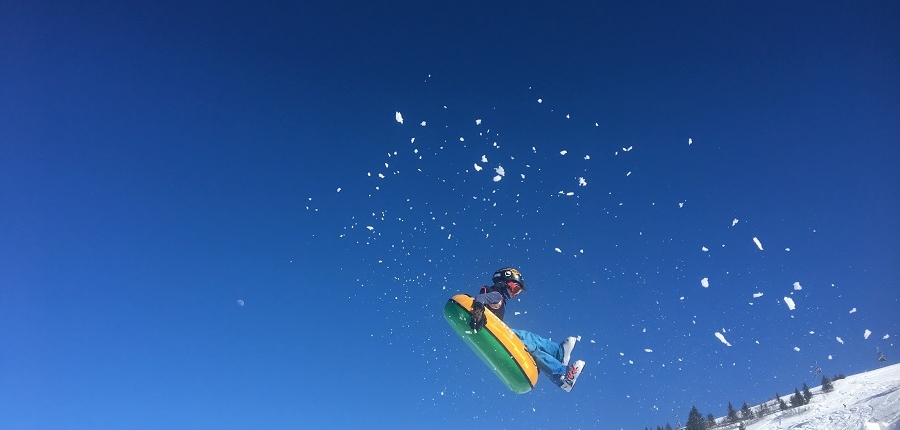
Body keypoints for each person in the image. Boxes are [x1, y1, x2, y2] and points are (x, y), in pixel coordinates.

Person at [469, 267, 585, 391]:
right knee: (529, 342)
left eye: (518, 292)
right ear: (503, 282)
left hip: (498, 332)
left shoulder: (498, 297)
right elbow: (481, 298)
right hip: (498, 332)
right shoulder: (497, 296)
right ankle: (560, 366)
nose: (514, 295)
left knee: (531, 344)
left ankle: (559, 360)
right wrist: (478, 309)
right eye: (515, 289)